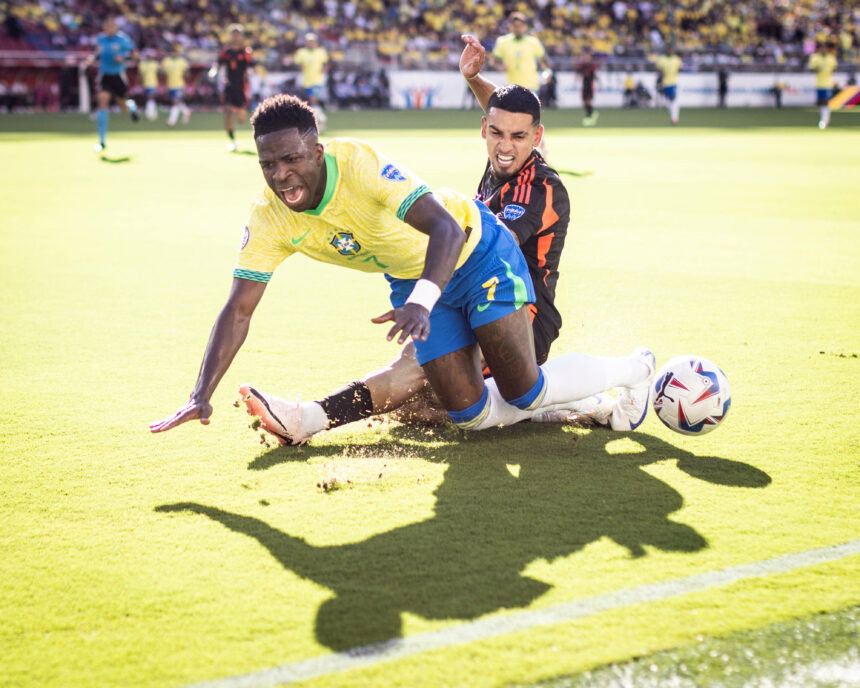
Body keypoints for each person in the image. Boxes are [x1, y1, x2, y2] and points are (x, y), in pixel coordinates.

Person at [149, 94, 654, 442]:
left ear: (316, 151)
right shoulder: (268, 217)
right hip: (414, 278)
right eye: (268, 165)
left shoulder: (359, 163)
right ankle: (571, 404)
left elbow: (446, 230)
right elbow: (238, 309)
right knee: (469, 415)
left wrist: (421, 302)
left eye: (291, 159)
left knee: (525, 389)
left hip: (477, 252)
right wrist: (200, 393)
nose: (281, 175)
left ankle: (636, 370)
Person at [85, 17, 139, 152]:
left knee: (123, 107)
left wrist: (124, 58)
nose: (110, 29)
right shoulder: (101, 39)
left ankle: (131, 107)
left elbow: (135, 55)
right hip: (105, 75)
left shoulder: (123, 39)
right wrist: (92, 59)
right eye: (107, 26)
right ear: (104, 27)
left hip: (118, 76)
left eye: (112, 26)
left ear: (116, 27)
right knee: (102, 102)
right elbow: (97, 52)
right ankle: (102, 141)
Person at [210, 24, 254, 151]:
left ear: (241, 36)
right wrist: (213, 71)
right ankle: (232, 140)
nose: (235, 37)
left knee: (241, 119)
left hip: (242, 87)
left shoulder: (246, 52)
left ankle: (241, 115)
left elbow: (252, 66)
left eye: (238, 34)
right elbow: (217, 64)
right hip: (229, 85)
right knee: (228, 112)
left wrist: (251, 72)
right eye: (233, 34)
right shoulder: (226, 52)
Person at [293, 32, 329, 129]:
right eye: (309, 41)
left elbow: (326, 63)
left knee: (313, 100)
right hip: (305, 81)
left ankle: (320, 120)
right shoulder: (301, 52)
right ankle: (314, 120)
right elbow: (297, 64)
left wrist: (324, 69)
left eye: (313, 41)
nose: (311, 43)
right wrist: (300, 66)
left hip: (317, 81)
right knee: (307, 103)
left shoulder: (321, 52)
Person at [809, 42, 838, 129]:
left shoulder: (831, 58)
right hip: (818, 84)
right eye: (822, 48)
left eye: (825, 48)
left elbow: (835, 68)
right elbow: (811, 69)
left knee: (825, 101)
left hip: (828, 84)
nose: (824, 50)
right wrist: (816, 69)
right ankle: (824, 117)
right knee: (820, 103)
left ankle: (824, 120)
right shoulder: (815, 58)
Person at [162, 43, 191, 126]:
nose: (174, 53)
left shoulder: (182, 61)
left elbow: (187, 72)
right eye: (172, 52)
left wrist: (186, 82)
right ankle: (186, 111)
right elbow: (163, 73)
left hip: (179, 84)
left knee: (175, 101)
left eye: (175, 52)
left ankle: (172, 121)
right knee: (176, 101)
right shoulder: (166, 61)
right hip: (170, 84)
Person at [653, 46, 682, 125]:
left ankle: (674, 118)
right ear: (666, 50)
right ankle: (673, 117)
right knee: (669, 101)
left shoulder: (676, 59)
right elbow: (658, 71)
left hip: (673, 82)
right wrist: (659, 80)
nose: (669, 51)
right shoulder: (661, 59)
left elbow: (680, 69)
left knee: (673, 99)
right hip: (664, 83)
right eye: (668, 50)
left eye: (671, 50)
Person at [577, 48, 599, 125]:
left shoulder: (592, 66)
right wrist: (575, 82)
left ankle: (589, 117)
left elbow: (596, 76)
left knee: (589, 101)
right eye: (585, 57)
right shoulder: (582, 66)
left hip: (590, 86)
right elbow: (578, 73)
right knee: (584, 102)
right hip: (584, 86)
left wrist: (600, 84)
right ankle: (592, 113)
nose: (586, 58)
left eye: (588, 57)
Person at [138, 49, 160, 120]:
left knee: (151, 97)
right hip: (145, 84)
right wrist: (141, 83)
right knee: (149, 98)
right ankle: (152, 112)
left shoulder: (155, 64)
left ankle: (150, 113)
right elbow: (140, 75)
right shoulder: (142, 64)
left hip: (153, 83)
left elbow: (159, 73)